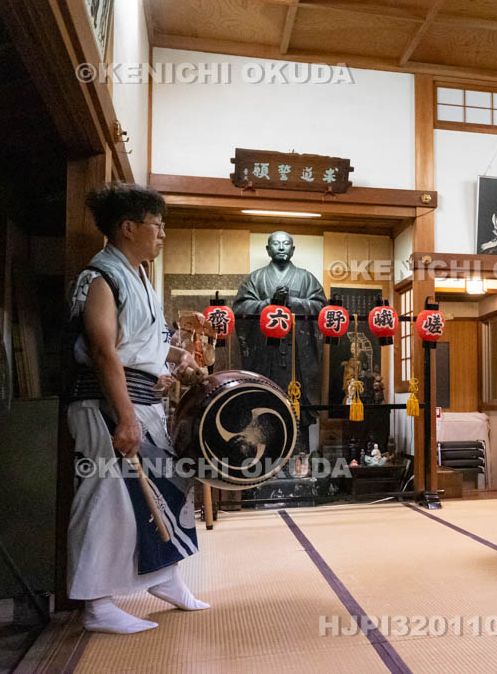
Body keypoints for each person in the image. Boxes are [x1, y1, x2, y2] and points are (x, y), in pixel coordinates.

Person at [67, 183, 209, 634]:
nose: (162, 234)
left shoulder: (138, 274)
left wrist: (177, 359)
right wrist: (125, 415)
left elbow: (143, 342)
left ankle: (164, 577)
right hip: (106, 404)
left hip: (138, 400)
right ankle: (96, 604)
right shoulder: (101, 278)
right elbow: (105, 350)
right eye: (157, 225)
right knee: (106, 497)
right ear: (128, 228)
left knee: (169, 486)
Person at [233, 232, 327, 450]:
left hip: (298, 357)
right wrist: (269, 303)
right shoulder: (255, 279)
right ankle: (266, 463)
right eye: (276, 244)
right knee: (264, 407)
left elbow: (322, 310)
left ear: (293, 250)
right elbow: (239, 310)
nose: (282, 247)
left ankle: (298, 460)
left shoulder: (306, 278)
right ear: (268, 249)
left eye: (286, 244)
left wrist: (292, 302)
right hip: (266, 356)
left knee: (297, 411)